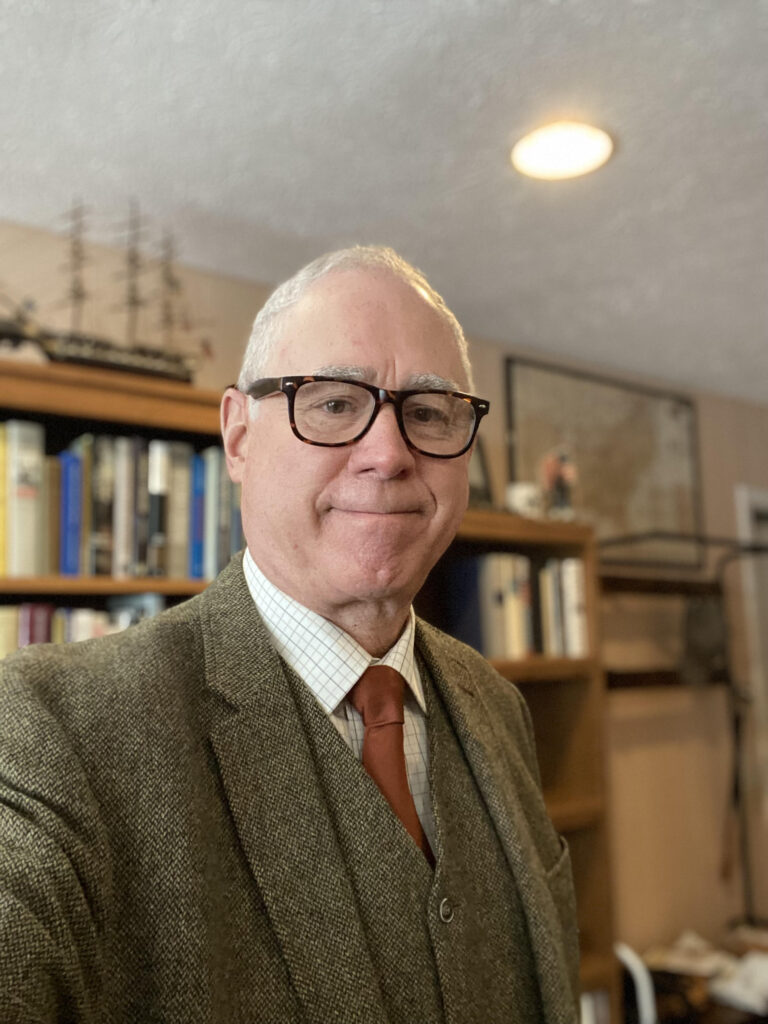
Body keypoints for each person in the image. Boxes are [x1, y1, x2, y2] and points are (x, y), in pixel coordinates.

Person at [0, 246, 579, 1024]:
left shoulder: (498, 705)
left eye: (428, 413)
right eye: (334, 404)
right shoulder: (54, 727)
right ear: (239, 437)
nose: (389, 454)